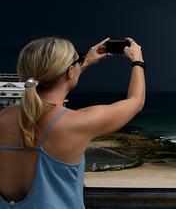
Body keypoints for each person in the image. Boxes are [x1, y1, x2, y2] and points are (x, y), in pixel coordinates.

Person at [0, 37, 145, 208]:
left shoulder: (4, 117)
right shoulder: (76, 123)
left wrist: (82, 64)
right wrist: (137, 61)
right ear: (69, 71)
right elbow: (136, 101)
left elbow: (54, 87)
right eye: (78, 60)